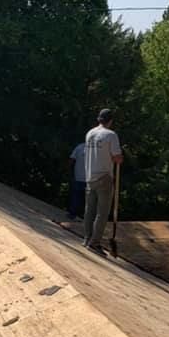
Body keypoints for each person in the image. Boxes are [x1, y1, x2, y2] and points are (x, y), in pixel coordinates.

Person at [83, 109, 123, 256]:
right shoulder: (111, 135)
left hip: (90, 176)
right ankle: (95, 243)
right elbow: (117, 157)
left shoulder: (90, 133)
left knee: (89, 210)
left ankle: (87, 239)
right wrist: (119, 158)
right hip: (104, 177)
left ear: (99, 119)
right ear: (110, 121)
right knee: (102, 212)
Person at [68, 139, 86, 219]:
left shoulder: (79, 147)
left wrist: (68, 170)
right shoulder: (97, 150)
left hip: (78, 176)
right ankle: (84, 215)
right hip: (91, 178)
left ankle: (73, 214)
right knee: (88, 198)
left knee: (76, 196)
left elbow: (71, 160)